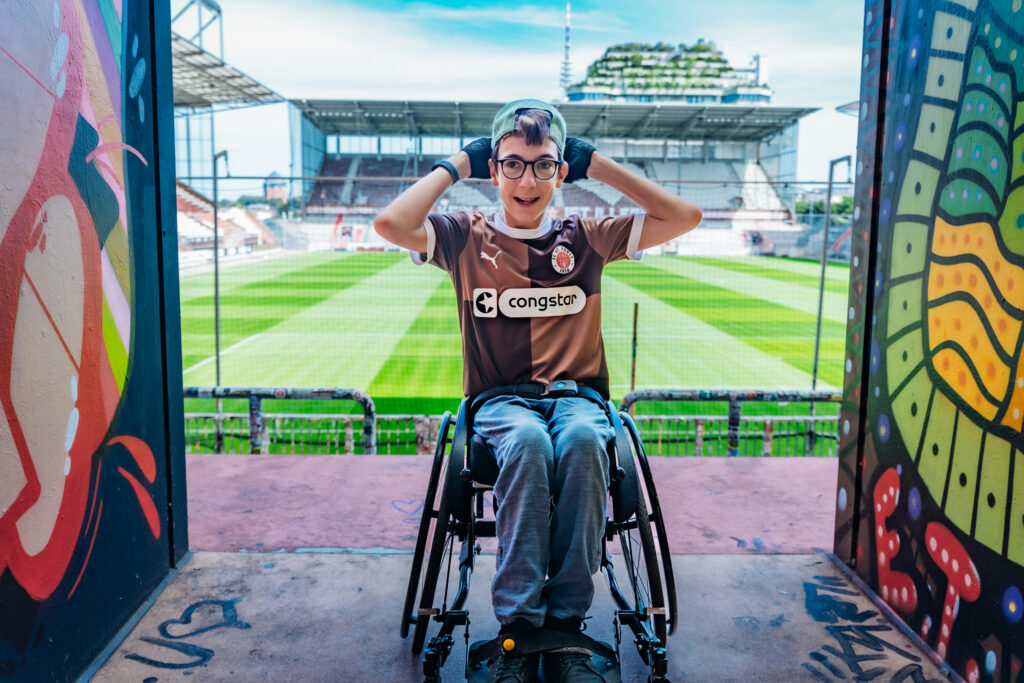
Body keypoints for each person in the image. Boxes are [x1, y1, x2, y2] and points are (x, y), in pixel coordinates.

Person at [375, 99, 701, 682]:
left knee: (580, 443)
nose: (528, 179)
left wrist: (596, 164)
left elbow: (684, 216)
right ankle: (520, 629)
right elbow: (390, 225)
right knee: (526, 444)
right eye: (513, 164)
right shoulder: (461, 234)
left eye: (545, 164)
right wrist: (455, 165)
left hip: (578, 399)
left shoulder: (589, 234)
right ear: (494, 169)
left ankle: (567, 625)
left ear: (561, 170)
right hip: (501, 402)